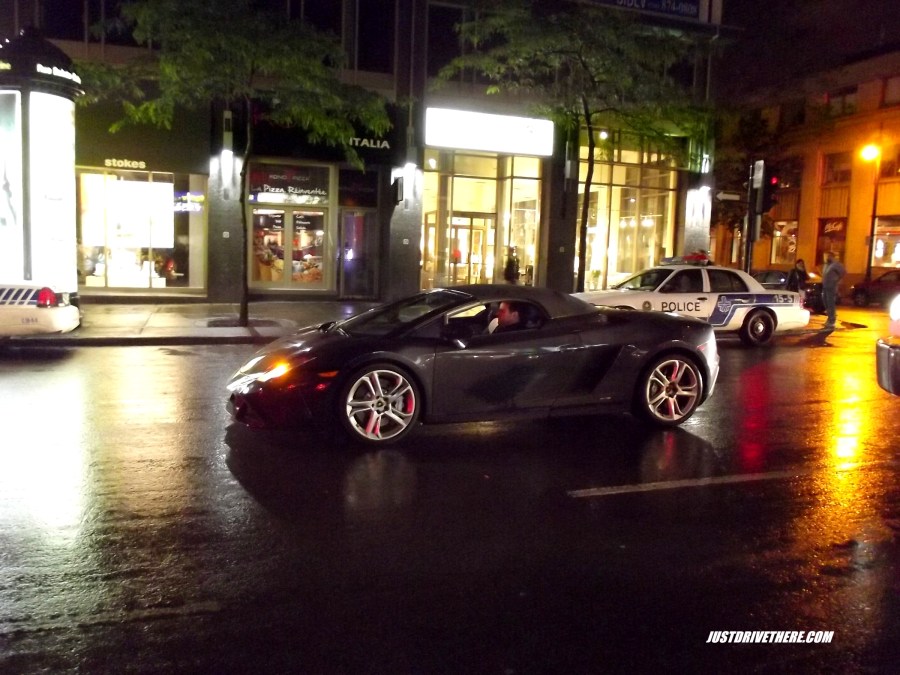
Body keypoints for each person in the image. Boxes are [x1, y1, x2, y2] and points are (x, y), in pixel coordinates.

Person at [821, 252, 845, 329]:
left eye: (828, 256)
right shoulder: (826, 265)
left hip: (832, 287)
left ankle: (832, 320)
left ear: (832, 257)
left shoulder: (836, 265)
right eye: (825, 256)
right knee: (825, 302)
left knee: (830, 303)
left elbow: (843, 272)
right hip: (825, 286)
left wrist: (837, 281)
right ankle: (829, 318)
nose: (826, 258)